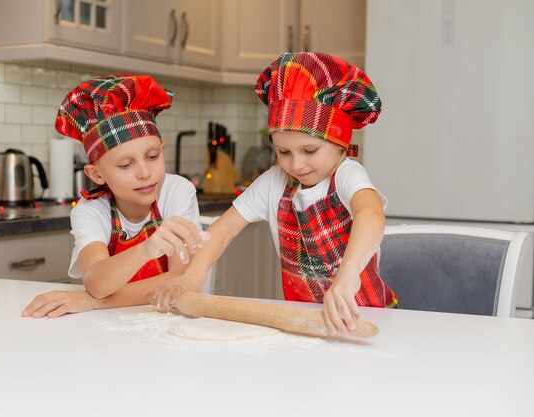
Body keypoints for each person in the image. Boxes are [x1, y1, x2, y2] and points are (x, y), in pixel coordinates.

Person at [156, 52, 398, 335]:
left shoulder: (346, 175)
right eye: (283, 152)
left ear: (340, 143)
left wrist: (347, 276)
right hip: (304, 322)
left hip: (369, 316)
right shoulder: (275, 183)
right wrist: (192, 278)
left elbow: (370, 214)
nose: (296, 164)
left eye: (309, 151)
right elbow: (222, 230)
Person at [22, 74, 208, 318]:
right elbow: (97, 284)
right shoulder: (91, 210)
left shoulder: (176, 191)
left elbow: (178, 279)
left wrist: (92, 302)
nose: (145, 173)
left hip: (170, 320)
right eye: (125, 165)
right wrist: (146, 249)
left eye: (152, 157)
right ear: (96, 174)